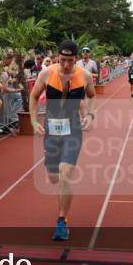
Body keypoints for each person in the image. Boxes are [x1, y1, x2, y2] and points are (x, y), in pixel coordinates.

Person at [29, 40, 96, 241]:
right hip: (51, 129)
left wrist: (90, 115)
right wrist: (33, 121)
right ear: (58, 56)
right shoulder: (46, 73)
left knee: (65, 175)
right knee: (53, 177)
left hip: (73, 129)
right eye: (63, 59)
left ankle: (61, 221)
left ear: (76, 59)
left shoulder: (83, 75)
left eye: (70, 60)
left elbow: (92, 96)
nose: (66, 64)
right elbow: (33, 97)